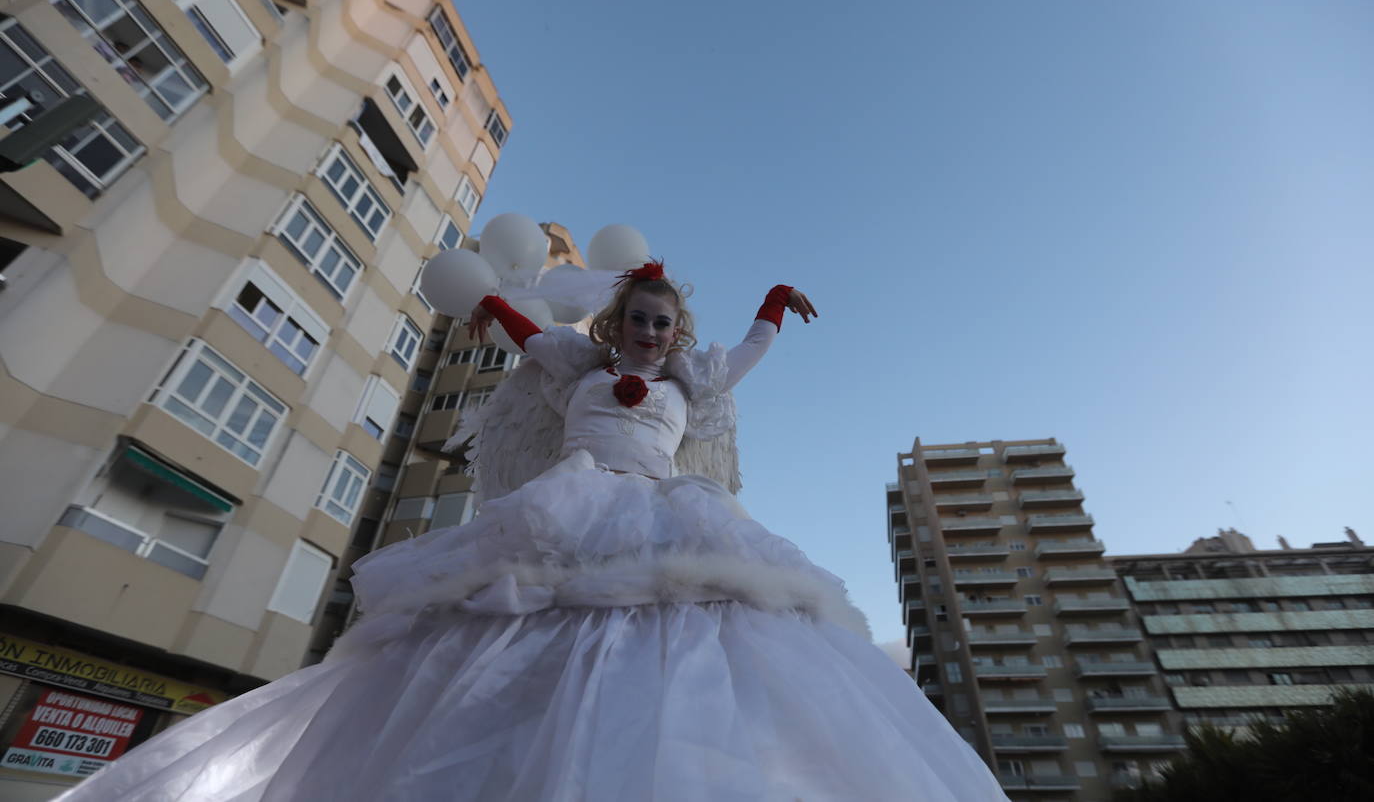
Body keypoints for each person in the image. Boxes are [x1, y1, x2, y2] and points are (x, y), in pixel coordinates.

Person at [59, 263, 1008, 801]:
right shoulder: (570, 361)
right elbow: (515, 326)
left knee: (694, 633)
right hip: (576, 500)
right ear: (615, 324)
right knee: (508, 638)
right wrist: (480, 295)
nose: (647, 334)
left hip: (668, 506)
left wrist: (771, 300)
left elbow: (753, 352)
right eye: (635, 320)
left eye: (662, 325)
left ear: (676, 336)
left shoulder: (693, 384)